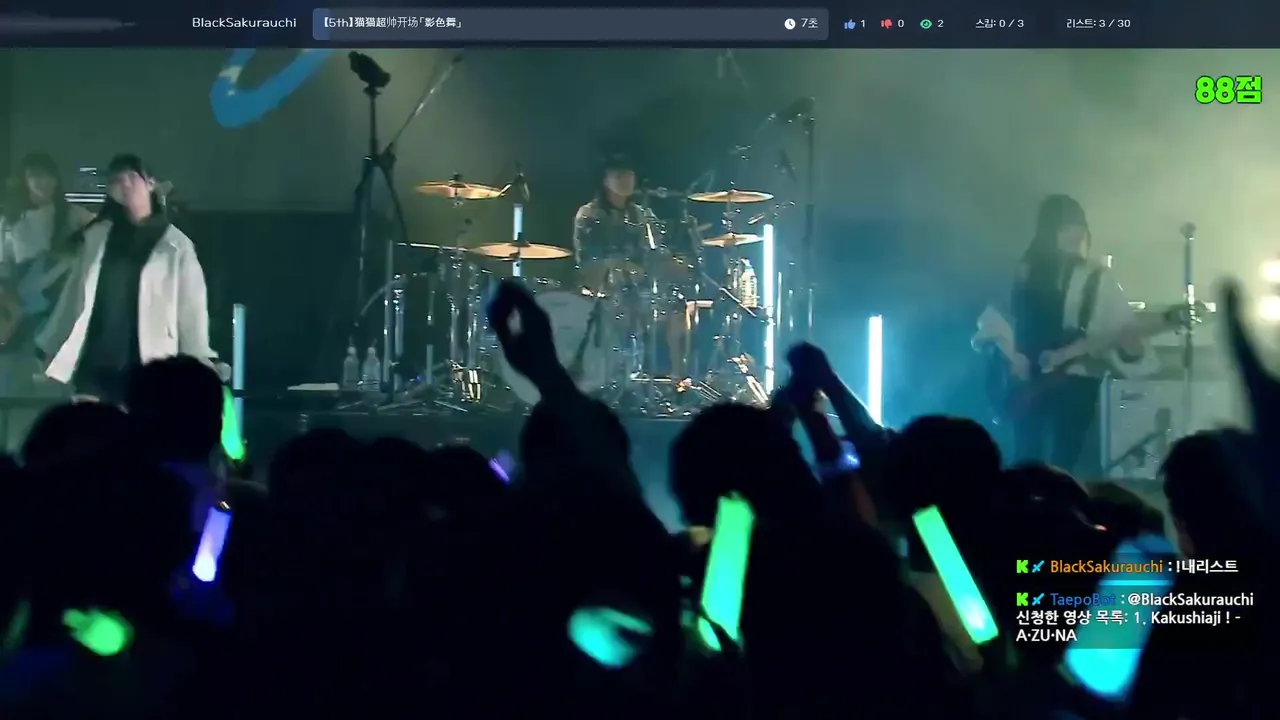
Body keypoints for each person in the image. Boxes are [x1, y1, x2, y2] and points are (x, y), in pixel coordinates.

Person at [989, 194, 1156, 474]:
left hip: (1076, 382)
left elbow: (1121, 331)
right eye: (1066, 226)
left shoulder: (1097, 278)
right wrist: (1012, 356)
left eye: (1079, 226)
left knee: (1067, 461)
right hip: (1026, 381)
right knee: (1026, 457)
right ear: (1049, 230)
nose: (1075, 234)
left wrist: (1131, 350)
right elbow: (994, 321)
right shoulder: (1022, 272)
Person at [36, 154, 216, 405]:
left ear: (151, 183)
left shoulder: (176, 245)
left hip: (149, 360)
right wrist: (51, 343)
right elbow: (74, 295)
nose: (125, 185)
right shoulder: (98, 236)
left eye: (131, 176)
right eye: (116, 180)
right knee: (91, 425)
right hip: (96, 362)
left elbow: (191, 310)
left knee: (141, 424)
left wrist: (197, 361)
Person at [0, 153, 95, 450]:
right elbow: (4, 270)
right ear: (25, 181)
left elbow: (102, 234)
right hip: (21, 321)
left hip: (63, 316)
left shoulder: (74, 217)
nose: (42, 183)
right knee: (17, 395)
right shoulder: (10, 222)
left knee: (57, 396)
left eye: (47, 175)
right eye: (35, 176)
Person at [572, 154, 693, 379]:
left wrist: (674, 263)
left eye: (629, 174)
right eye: (619, 175)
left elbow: (657, 251)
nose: (626, 179)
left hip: (639, 288)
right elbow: (589, 261)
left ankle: (678, 377)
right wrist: (622, 267)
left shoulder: (642, 214)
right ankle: (619, 376)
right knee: (624, 307)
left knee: (678, 306)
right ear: (605, 180)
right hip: (603, 291)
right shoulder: (590, 214)